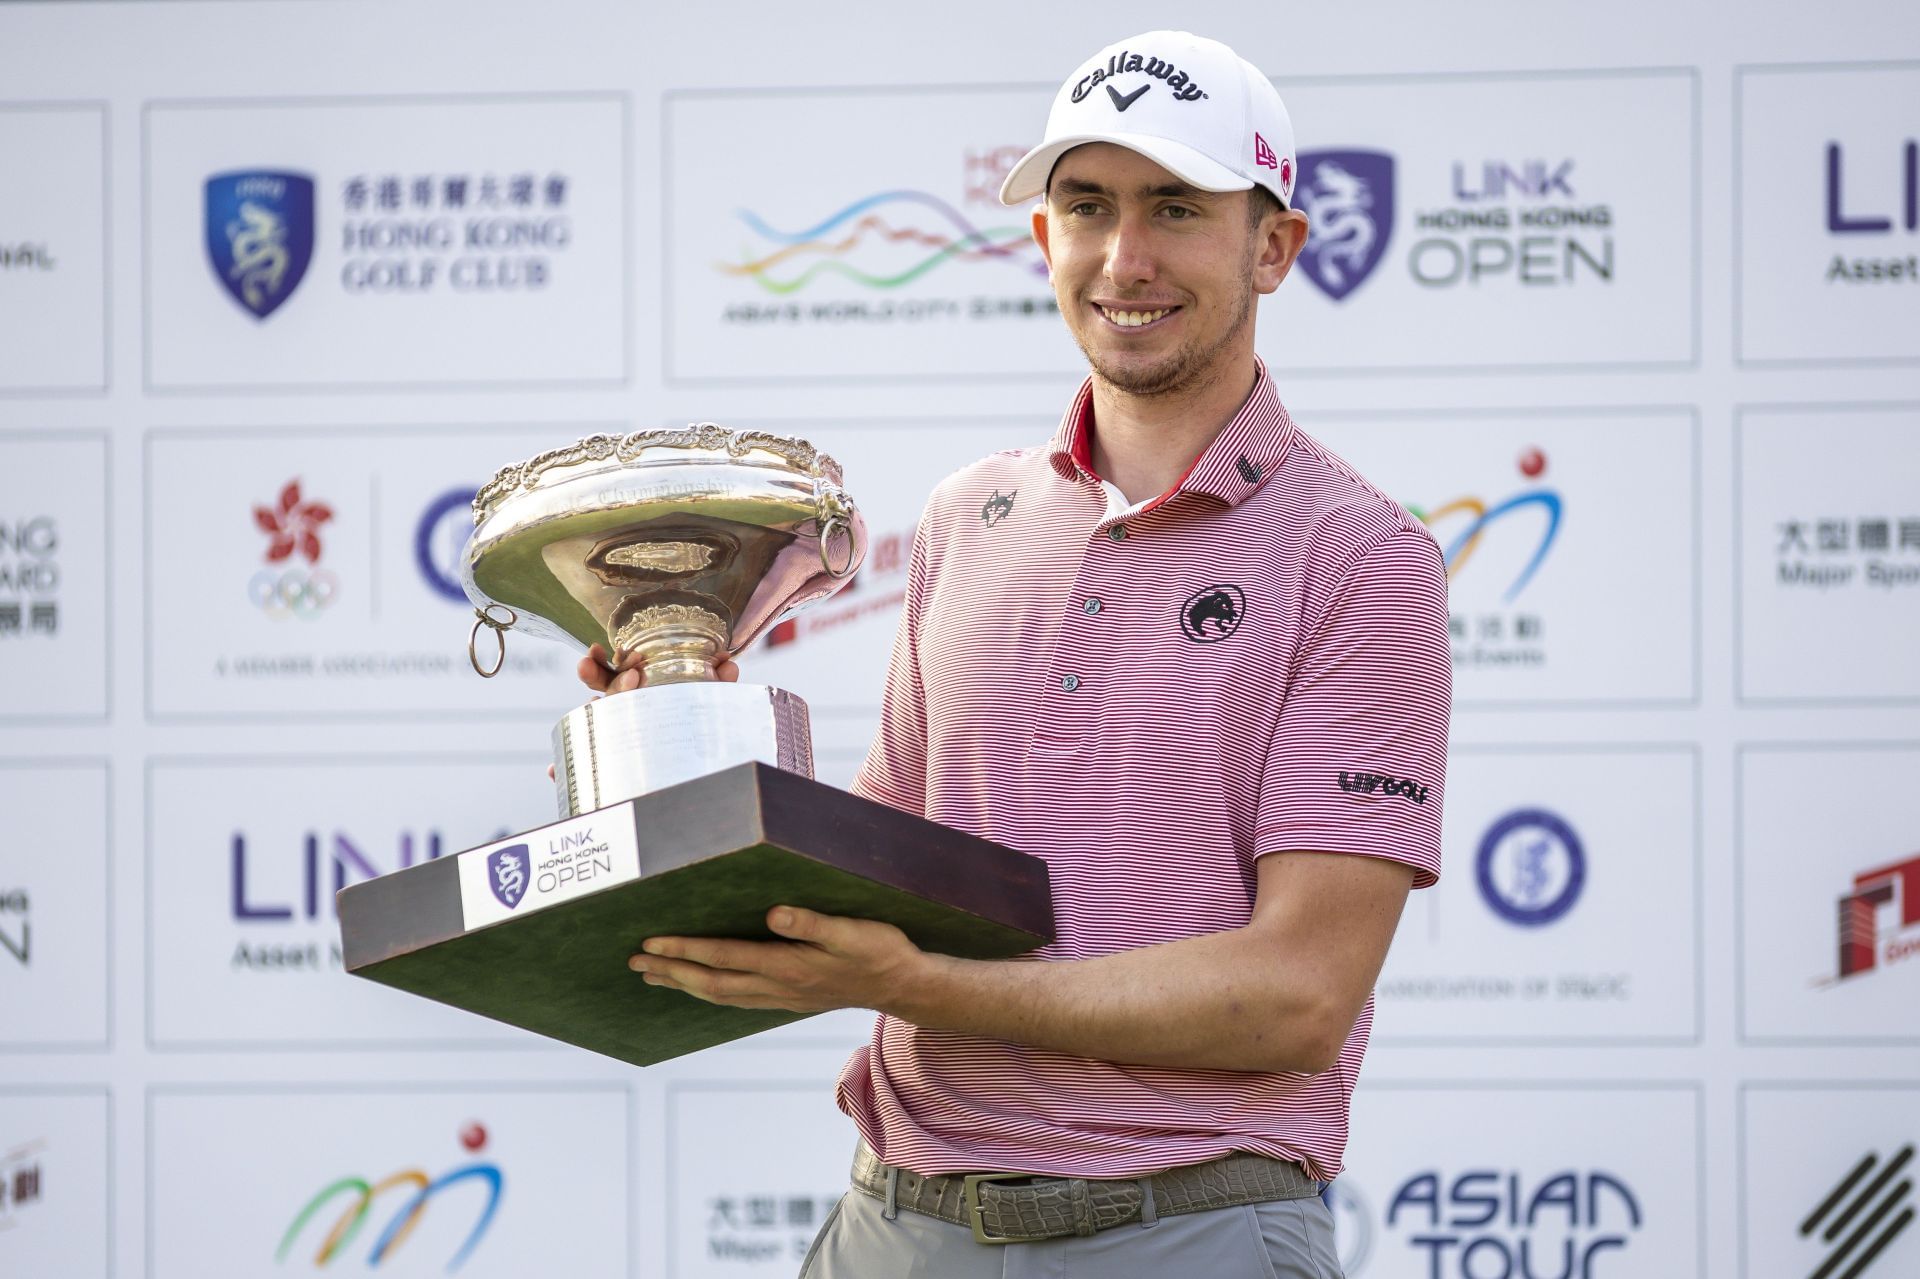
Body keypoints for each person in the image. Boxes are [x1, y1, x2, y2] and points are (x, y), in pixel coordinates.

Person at [581, 29, 1450, 1277]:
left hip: (1186, 1230)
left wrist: (923, 985)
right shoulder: (964, 516)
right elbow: (882, 864)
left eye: (1176, 209)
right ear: (1044, 238)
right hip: (898, 1222)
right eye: (1086, 206)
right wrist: (684, 727)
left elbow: (1298, 994)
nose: (1124, 257)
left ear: (1273, 246)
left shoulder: (1362, 559)